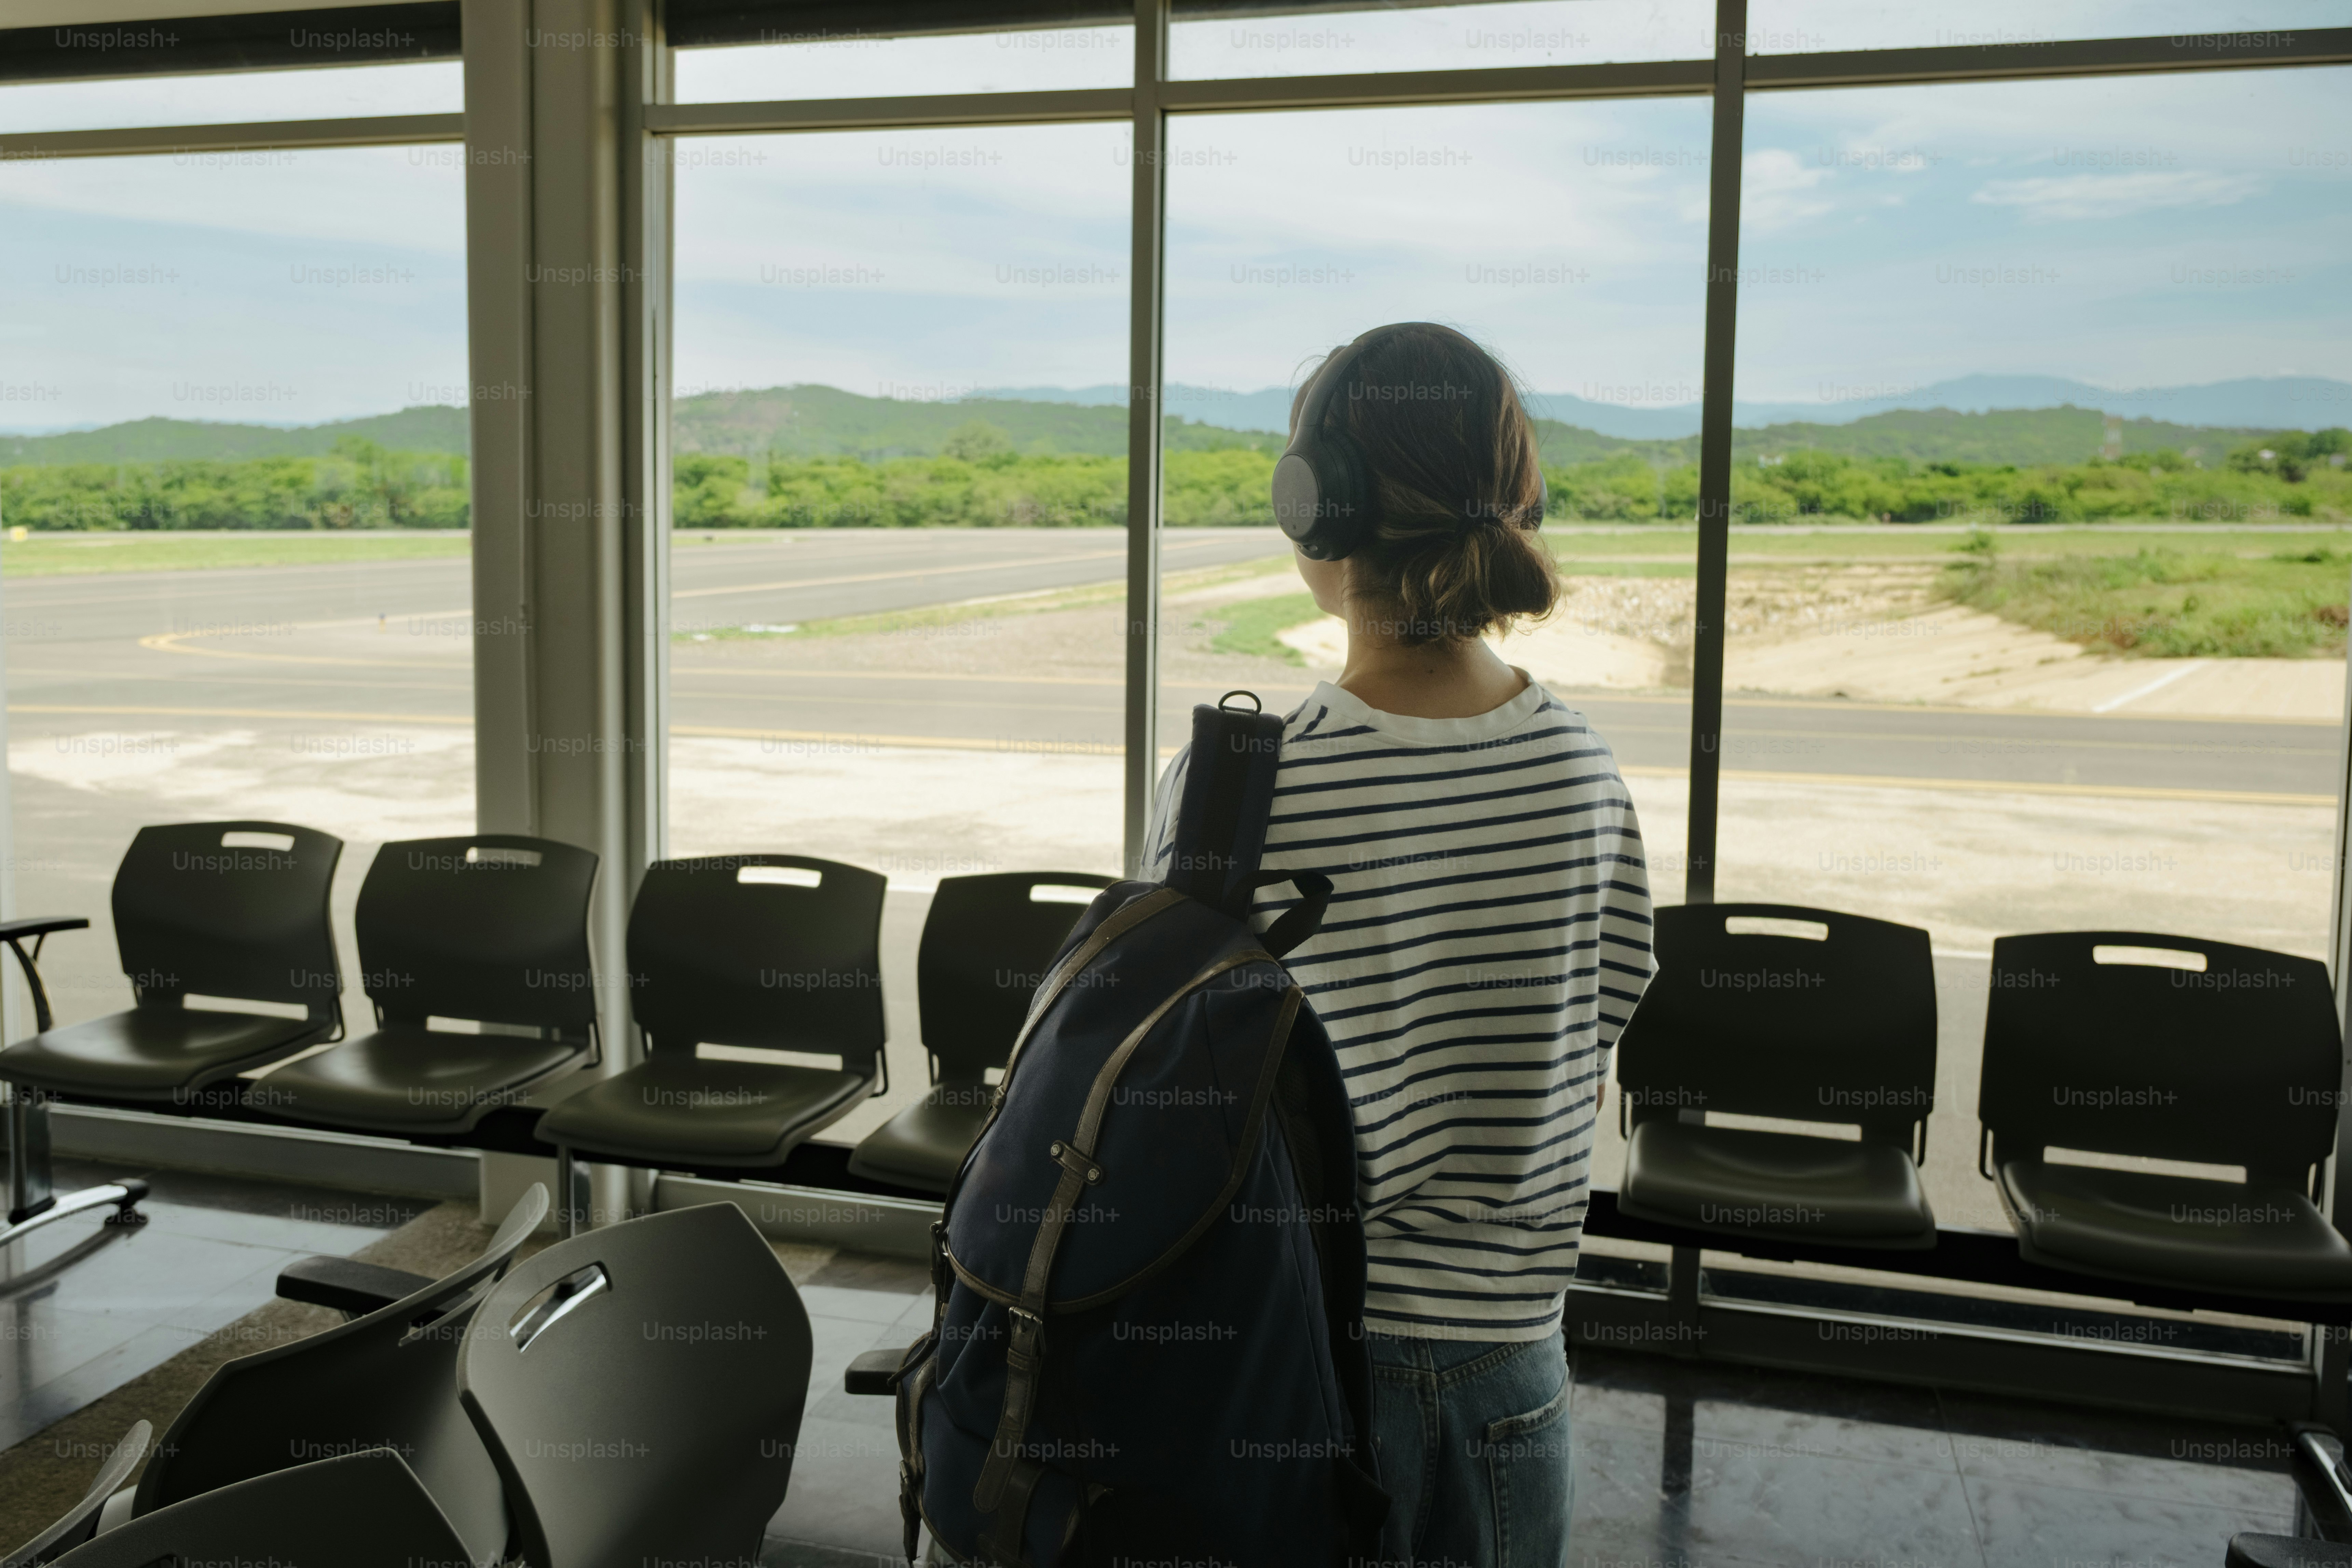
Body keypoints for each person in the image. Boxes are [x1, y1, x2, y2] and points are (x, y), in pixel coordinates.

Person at [1141, 321, 1656, 1566]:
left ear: (1311, 506)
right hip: (1509, 1368)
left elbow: (1160, 1075)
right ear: (1520, 499)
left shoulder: (1241, 794)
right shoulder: (1581, 771)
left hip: (1299, 1359)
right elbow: (1608, 1006)